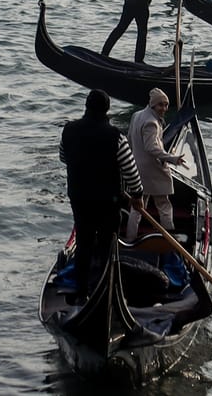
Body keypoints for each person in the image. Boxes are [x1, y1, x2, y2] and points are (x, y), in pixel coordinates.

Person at [59, 89, 140, 291]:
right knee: (105, 245)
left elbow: (63, 157)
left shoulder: (68, 130)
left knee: (84, 242)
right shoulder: (115, 137)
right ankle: (103, 286)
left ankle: (81, 290)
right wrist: (137, 194)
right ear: (107, 110)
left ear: (86, 106)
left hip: (79, 198)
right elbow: (130, 171)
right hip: (107, 201)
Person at [128, 87, 186, 234]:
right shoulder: (151, 122)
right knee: (164, 205)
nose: (164, 108)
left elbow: (129, 139)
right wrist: (172, 158)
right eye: (161, 105)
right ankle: (169, 239)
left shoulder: (136, 115)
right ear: (153, 104)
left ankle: (130, 237)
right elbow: (151, 148)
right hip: (152, 170)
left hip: (137, 169)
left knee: (137, 208)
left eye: (166, 105)